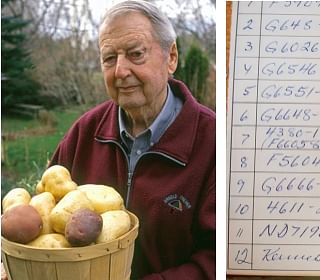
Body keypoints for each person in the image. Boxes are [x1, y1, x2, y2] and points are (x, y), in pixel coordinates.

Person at [48, 1, 215, 279]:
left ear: (171, 57)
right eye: (109, 58)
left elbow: (215, 260)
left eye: (136, 54)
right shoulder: (85, 132)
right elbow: (47, 218)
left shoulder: (211, 142)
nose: (120, 71)